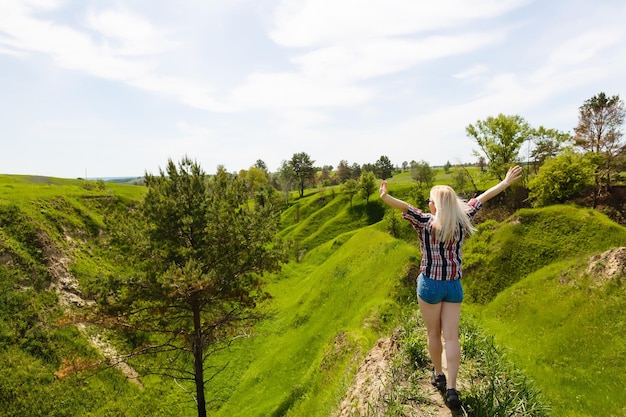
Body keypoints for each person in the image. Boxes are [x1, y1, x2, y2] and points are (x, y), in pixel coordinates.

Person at [379, 165, 523, 411]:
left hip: (430, 286)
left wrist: (385, 197)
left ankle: (438, 375)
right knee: (452, 337)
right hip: (453, 287)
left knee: (433, 334)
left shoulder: (425, 222)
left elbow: (405, 208)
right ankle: (453, 388)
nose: (427, 205)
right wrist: (505, 183)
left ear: (434, 206)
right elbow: (482, 198)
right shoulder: (462, 219)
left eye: (429, 201)